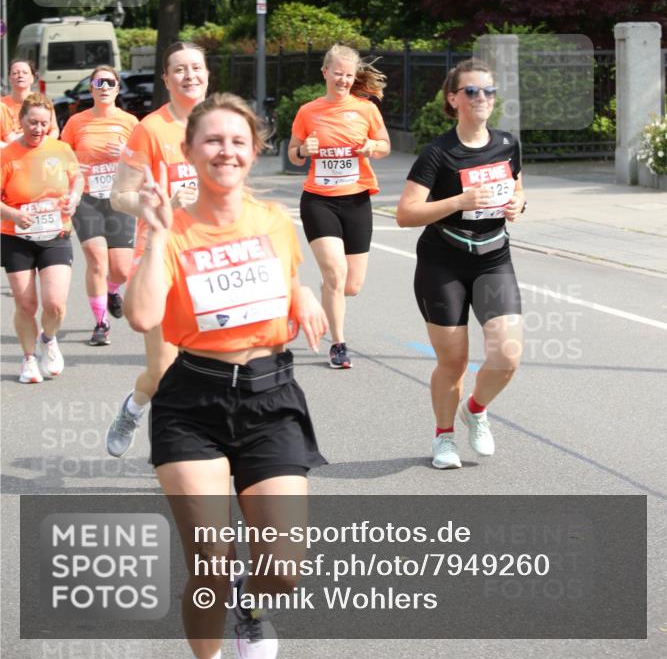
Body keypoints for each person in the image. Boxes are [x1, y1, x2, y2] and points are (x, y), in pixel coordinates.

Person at [124, 92, 328, 659]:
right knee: (211, 565)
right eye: (212, 140)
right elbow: (142, 315)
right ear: (188, 151)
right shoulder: (173, 228)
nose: (225, 151)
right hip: (193, 402)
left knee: (284, 570)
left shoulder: (274, 222)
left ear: (254, 151)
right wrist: (158, 232)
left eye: (238, 141)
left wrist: (304, 291)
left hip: (272, 397)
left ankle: (251, 605)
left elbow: (282, 280)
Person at [396, 59, 525, 470]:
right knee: (452, 361)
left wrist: (518, 204)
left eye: (488, 90)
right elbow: (405, 213)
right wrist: (458, 202)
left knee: (507, 355)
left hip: (493, 258)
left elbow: (517, 187)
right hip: (442, 263)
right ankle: (444, 438)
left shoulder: (506, 143)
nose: (482, 97)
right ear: (453, 99)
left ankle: (476, 408)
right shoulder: (438, 154)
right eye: (472, 91)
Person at [105, 42, 208, 456]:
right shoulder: (150, 129)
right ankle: (133, 408)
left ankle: (198, 453)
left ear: (207, 74)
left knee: (216, 365)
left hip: (211, 260)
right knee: (164, 369)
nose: (189, 75)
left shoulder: (224, 123)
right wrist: (162, 201)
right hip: (160, 258)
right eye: (179, 69)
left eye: (196, 68)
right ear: (166, 79)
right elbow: (119, 196)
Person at [287, 43, 390, 369]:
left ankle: (325, 294)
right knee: (335, 272)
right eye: (338, 74)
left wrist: (372, 145)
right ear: (325, 73)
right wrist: (304, 149)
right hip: (319, 200)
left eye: (349, 76)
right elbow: (292, 153)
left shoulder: (366, 109)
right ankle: (339, 345)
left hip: (356, 199)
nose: (343, 80)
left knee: (350, 285)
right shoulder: (308, 111)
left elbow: (385, 145)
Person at [0, 93, 82, 383]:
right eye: (32, 122)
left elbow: (77, 179)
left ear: (51, 124)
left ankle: (48, 339)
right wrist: (12, 214)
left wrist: (73, 197)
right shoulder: (6, 155)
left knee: (55, 304)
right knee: (26, 305)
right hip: (16, 236)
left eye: (43, 123)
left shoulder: (61, 150)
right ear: (20, 120)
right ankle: (28, 359)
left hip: (55, 233)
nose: (37, 129)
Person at [60, 66, 138, 345]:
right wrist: (70, 166)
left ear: (117, 89)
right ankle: (101, 323)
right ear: (91, 88)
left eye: (110, 82)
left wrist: (127, 154)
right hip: (88, 198)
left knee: (121, 269)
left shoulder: (131, 122)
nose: (104, 87)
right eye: (98, 82)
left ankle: (112, 290)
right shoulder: (76, 122)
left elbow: (144, 159)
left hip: (120, 198)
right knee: (96, 259)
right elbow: (62, 153)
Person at [1, 58, 59, 139]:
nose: (20, 75)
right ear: (9, 78)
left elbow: (54, 130)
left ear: (32, 78)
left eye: (25, 73)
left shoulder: (44, 102)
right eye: (15, 73)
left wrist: (44, 145)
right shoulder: (1, 105)